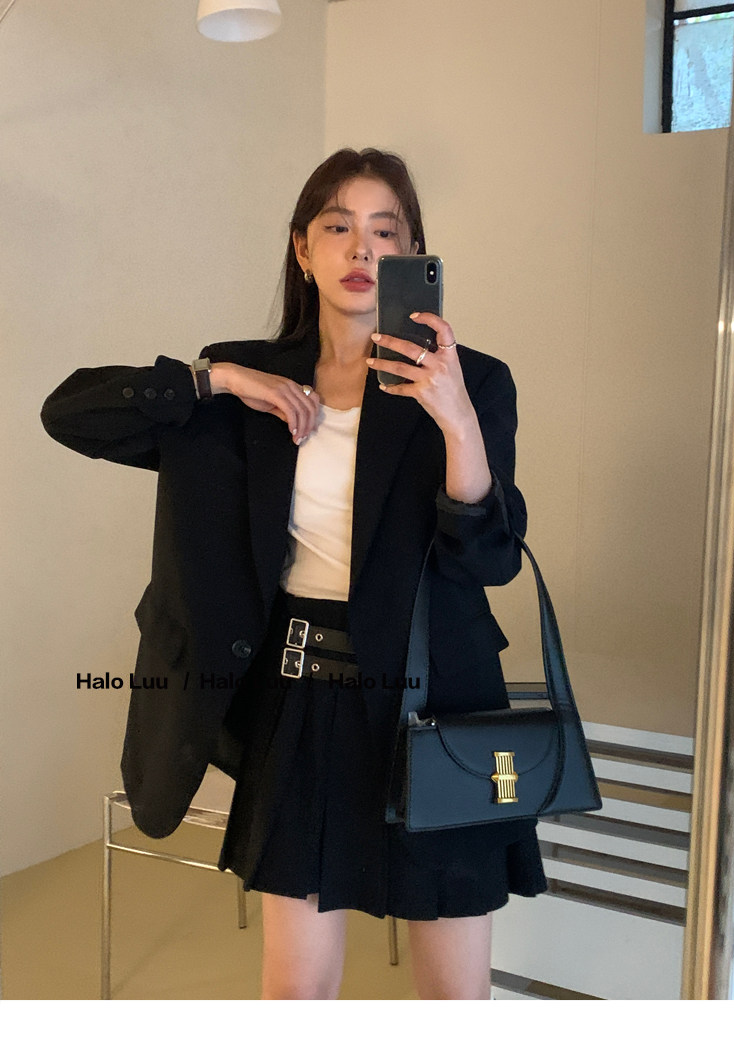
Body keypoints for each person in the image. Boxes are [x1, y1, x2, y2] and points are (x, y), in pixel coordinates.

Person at [41, 147, 547, 1000]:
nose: (362, 248)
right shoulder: (248, 382)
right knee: (294, 993)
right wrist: (215, 380)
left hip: (437, 700)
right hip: (302, 699)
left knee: (454, 998)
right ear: (302, 249)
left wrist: (457, 419)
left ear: (413, 252)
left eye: (386, 230)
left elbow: (490, 559)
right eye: (338, 226)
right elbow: (69, 414)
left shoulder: (474, 382)